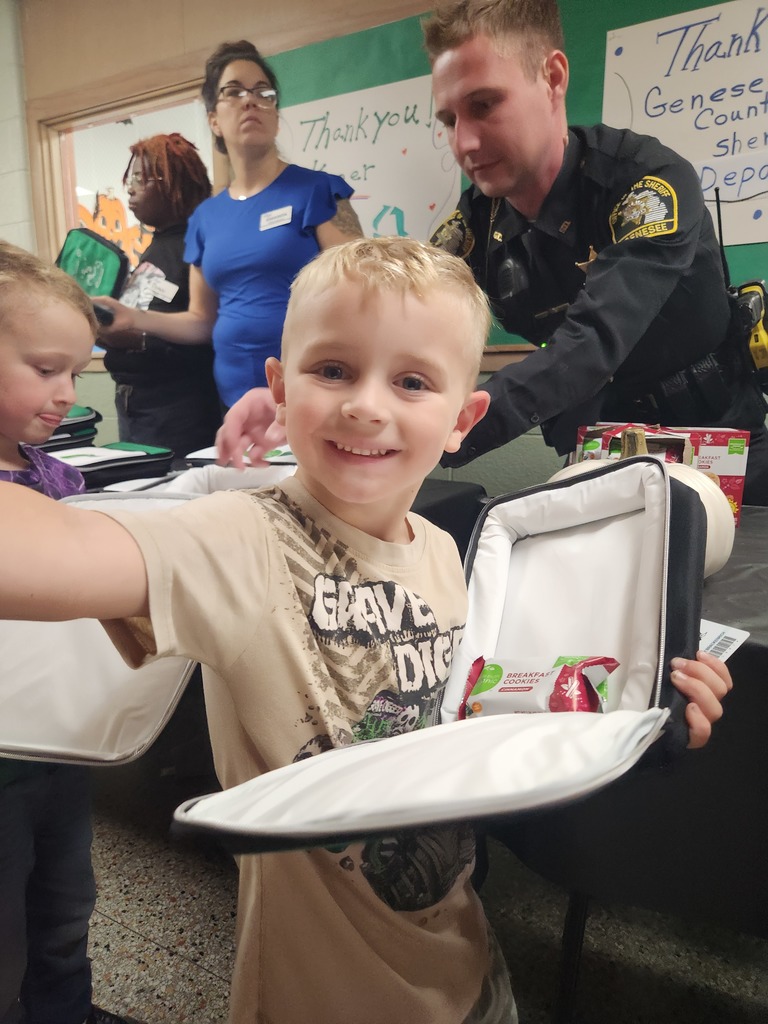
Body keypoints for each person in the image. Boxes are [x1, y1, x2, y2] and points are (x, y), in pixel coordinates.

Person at [0, 238, 730, 1024]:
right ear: (279, 390)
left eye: (412, 381)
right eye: (334, 370)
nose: (367, 405)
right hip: (322, 995)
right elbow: (53, 553)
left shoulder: (451, 555)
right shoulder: (240, 540)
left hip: (467, 969)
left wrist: (638, 717)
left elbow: (497, 731)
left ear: (463, 418)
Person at [420, 0, 768, 505]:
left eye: (484, 105)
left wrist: (435, 434)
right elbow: (404, 311)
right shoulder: (473, 227)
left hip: (721, 442)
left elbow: (595, 340)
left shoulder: (648, 185)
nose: (464, 142)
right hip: (602, 448)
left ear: (552, 77)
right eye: (449, 119)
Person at [0, 241, 141, 1024]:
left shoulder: (49, 469)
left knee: (65, 903)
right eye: (46, 370)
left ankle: (66, 1011)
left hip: (59, 746)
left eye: (76, 375)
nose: (64, 395)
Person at [96, 40, 363, 411]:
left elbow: (362, 295)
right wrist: (133, 317)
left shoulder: (318, 191)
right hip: (233, 403)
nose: (250, 100)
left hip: (311, 396)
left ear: (275, 112)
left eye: (262, 92)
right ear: (214, 119)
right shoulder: (206, 218)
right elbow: (202, 320)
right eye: (233, 91)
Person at [97, 133, 221, 461]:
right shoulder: (157, 246)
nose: (130, 188)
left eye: (140, 178)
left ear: (173, 184)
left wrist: (134, 338)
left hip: (178, 412)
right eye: (130, 178)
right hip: (136, 402)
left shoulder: (198, 247)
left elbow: (206, 333)